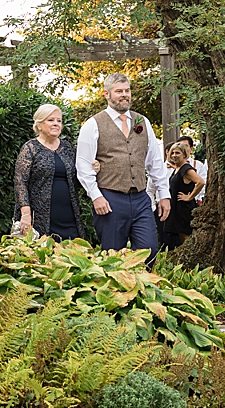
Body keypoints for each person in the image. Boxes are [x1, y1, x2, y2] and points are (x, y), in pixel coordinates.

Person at [75, 72, 169, 264]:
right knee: (113, 256)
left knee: (149, 251)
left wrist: (164, 194)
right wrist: (96, 196)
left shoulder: (142, 121)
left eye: (127, 90)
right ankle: (117, 293)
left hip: (141, 198)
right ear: (106, 94)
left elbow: (155, 162)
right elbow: (83, 165)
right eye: (119, 91)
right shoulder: (93, 124)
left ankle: (143, 289)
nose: (124, 95)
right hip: (110, 198)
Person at [13, 103, 84, 241]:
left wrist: (93, 168)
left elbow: (77, 178)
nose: (56, 124)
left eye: (59, 121)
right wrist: (26, 214)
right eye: (50, 120)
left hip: (68, 215)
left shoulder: (67, 147)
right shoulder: (30, 148)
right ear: (39, 125)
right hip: (40, 217)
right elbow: (20, 182)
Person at [162, 143, 203, 250]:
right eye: (173, 153)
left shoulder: (187, 169)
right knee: (181, 236)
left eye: (178, 153)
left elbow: (200, 182)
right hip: (176, 208)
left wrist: (189, 197)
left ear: (184, 154)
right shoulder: (178, 168)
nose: (174, 155)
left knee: (186, 237)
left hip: (184, 209)